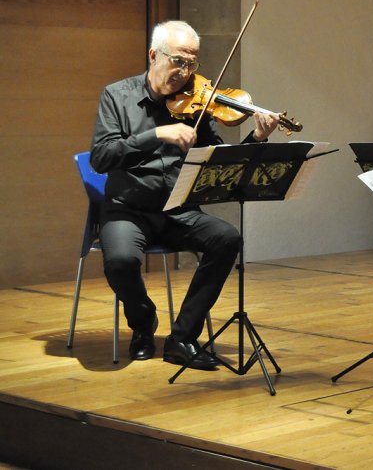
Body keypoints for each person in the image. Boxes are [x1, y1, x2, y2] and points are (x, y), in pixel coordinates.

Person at [90, 20, 282, 369]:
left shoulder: (199, 103)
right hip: (128, 209)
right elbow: (102, 157)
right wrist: (157, 134)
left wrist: (256, 139)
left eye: (192, 63)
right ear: (154, 55)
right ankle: (143, 320)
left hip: (180, 210)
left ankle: (183, 337)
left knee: (226, 238)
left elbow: (220, 163)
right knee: (121, 261)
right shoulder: (116, 96)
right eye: (178, 61)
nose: (186, 72)